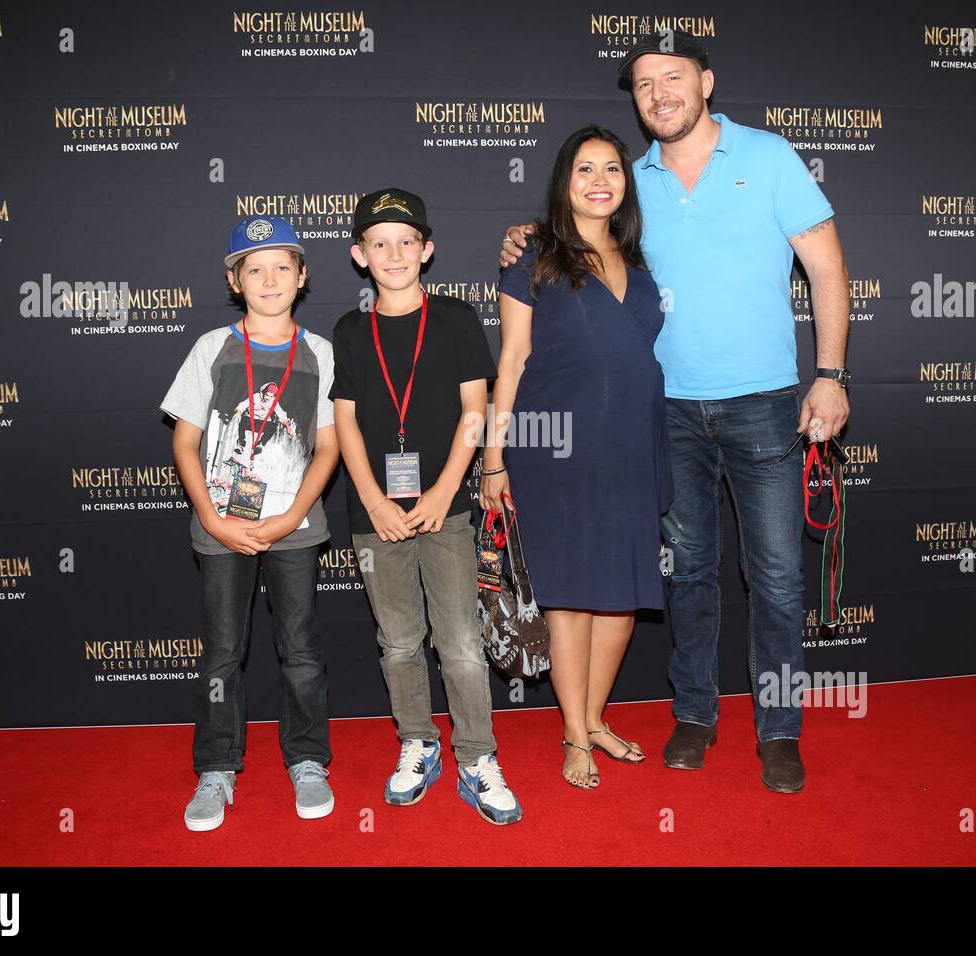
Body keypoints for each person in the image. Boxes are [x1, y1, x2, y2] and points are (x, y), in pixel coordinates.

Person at [500, 31, 852, 793]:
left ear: (707, 81)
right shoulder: (633, 180)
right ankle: (693, 715)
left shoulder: (766, 157)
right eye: (644, 84)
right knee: (688, 575)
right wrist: (529, 234)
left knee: (780, 579)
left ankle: (781, 727)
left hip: (764, 405)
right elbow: (576, 236)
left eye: (673, 76)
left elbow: (827, 266)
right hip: (667, 416)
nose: (658, 93)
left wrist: (830, 373)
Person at [483, 127, 672, 790]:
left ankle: (593, 718)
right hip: (554, 447)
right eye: (585, 168)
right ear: (565, 182)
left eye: (612, 169)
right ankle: (572, 735)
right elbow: (510, 361)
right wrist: (493, 456)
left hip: (631, 446)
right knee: (570, 599)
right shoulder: (532, 254)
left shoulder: (642, 264)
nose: (599, 180)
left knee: (622, 596)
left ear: (626, 182)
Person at [330, 188, 522, 825]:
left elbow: (476, 411)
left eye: (405, 241)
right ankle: (417, 740)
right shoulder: (351, 331)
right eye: (378, 243)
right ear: (360, 255)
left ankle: (476, 756)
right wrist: (372, 500)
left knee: (463, 642)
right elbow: (347, 427)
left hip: (450, 510)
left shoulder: (456, 318)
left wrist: (443, 490)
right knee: (401, 641)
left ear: (427, 250)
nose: (393, 253)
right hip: (375, 515)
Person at [162, 215, 341, 831]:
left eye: (282, 267)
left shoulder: (319, 353)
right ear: (235, 280)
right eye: (254, 268)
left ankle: (309, 760)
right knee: (221, 654)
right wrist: (211, 517)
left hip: (295, 525)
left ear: (303, 276)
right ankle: (216, 769)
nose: (269, 279)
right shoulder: (212, 349)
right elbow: (185, 443)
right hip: (221, 529)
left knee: (301, 650)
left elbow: (329, 446)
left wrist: (292, 514)